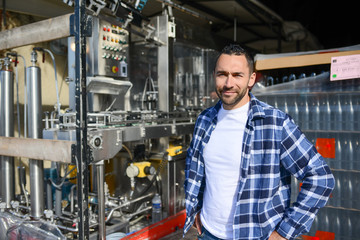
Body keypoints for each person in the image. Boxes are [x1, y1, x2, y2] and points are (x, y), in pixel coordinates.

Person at [183, 44, 334, 240]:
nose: (228, 83)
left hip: (256, 235)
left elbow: (321, 177)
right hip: (209, 233)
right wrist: (195, 210)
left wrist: (283, 232)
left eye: (237, 75)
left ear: (251, 79)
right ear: (214, 75)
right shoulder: (204, 120)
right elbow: (197, 169)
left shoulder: (275, 123)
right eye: (222, 74)